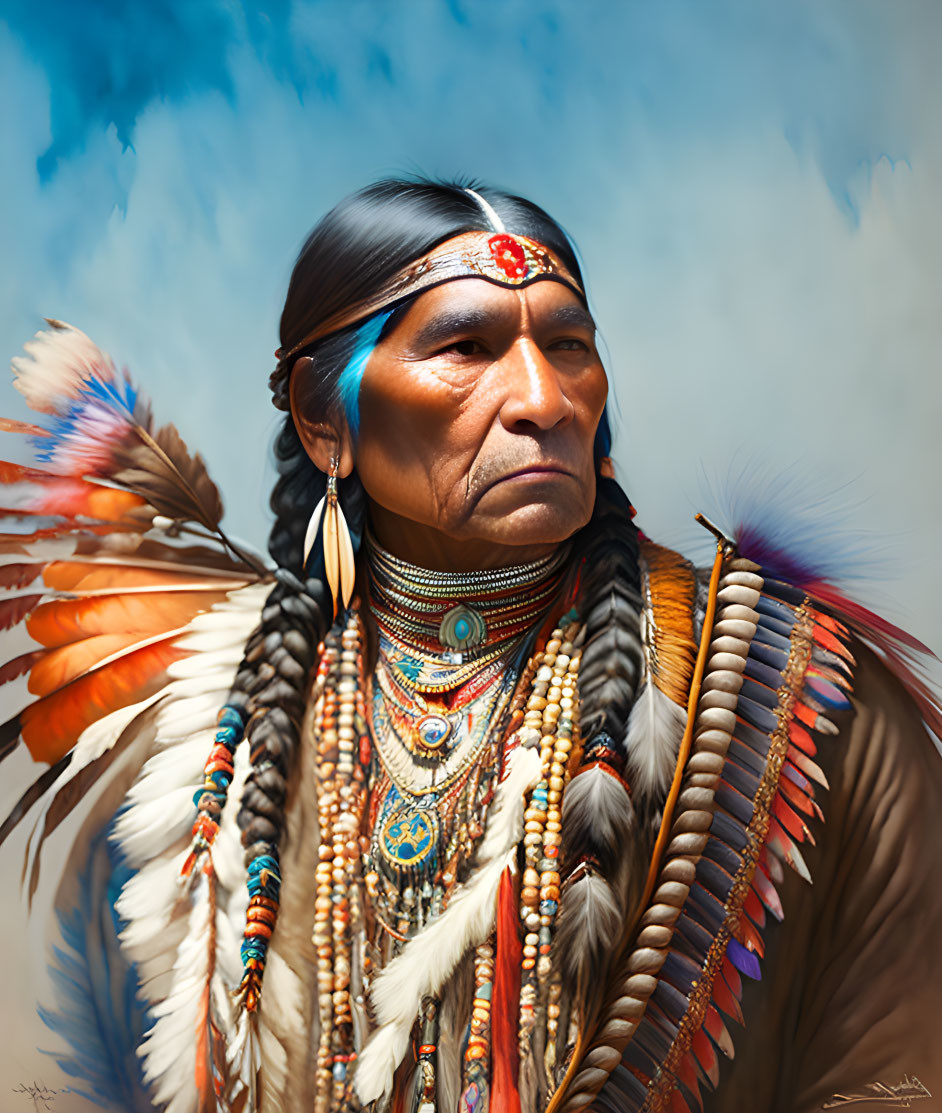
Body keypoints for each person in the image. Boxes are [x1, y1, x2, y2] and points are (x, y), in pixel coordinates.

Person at [1, 178, 940, 1113]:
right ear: (326, 422)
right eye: (466, 346)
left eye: (569, 346)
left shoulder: (802, 704)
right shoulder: (206, 760)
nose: (545, 397)